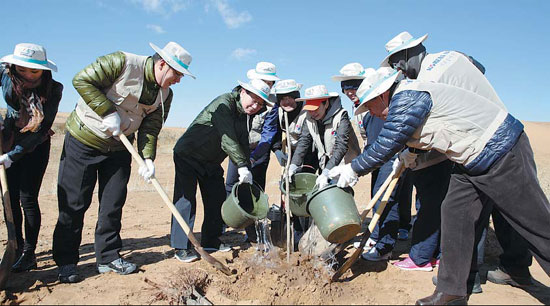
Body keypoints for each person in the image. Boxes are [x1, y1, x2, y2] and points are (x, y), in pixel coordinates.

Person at [329, 66, 550, 305]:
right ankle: (451, 290)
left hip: (501, 150)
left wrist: (353, 169)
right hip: (469, 159)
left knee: (534, 223)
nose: (372, 113)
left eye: (370, 106)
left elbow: (387, 142)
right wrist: (410, 153)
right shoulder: (406, 101)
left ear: (382, 95)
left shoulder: (407, 97)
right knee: (455, 214)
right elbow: (425, 131)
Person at [381, 31, 533, 290]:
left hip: (482, 143)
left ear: (410, 53)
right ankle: (501, 270)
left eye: (399, 62)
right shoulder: (445, 63)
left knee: (480, 215)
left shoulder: (436, 73)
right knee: (491, 211)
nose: (400, 70)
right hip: (489, 140)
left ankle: (478, 277)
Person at [53, 41, 193, 283]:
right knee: (74, 203)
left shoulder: (165, 94)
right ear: (162, 64)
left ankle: (108, 257)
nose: (178, 80)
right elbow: (82, 80)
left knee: (112, 203)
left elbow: (151, 127)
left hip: (119, 149)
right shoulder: (122, 62)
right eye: (178, 73)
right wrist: (108, 111)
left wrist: (147, 157)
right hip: (84, 141)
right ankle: (66, 262)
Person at [170, 79, 272, 263]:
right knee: (186, 200)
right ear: (242, 92)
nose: (255, 105)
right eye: (253, 99)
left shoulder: (243, 116)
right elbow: (228, 139)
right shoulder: (223, 104)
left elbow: (242, 144)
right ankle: (181, 247)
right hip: (189, 154)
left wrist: (246, 168)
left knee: (216, 198)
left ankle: (211, 240)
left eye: (260, 103)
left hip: (210, 161)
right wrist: (240, 165)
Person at [332, 63, 416, 261]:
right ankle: (385, 234)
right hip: (379, 155)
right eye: (346, 88)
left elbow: (386, 139)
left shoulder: (377, 106)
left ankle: (384, 244)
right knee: (387, 195)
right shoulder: (360, 108)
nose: (350, 92)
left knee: (385, 199)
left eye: (354, 86)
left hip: (388, 155)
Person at [0, 43, 62, 272]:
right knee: (9, 197)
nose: (27, 75)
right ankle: (13, 247)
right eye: (22, 69)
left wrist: (13, 156)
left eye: (33, 71)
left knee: (27, 198)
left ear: (44, 71)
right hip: (7, 139)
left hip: (35, 145)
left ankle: (29, 252)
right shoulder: (5, 73)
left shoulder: (54, 89)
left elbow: (43, 127)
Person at [224, 62, 280, 243]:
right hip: (238, 149)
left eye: (270, 82)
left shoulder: (272, 105)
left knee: (255, 191)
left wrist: (254, 158)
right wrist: (240, 159)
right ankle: (229, 222)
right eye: (263, 80)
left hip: (258, 150)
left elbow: (268, 133)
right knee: (232, 185)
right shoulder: (239, 95)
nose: (267, 84)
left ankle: (254, 234)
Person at [289, 85, 360, 187]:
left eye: (316, 109)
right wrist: (293, 165)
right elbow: (304, 141)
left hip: (342, 164)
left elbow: (341, 146)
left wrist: (327, 172)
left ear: (326, 103)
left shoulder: (341, 116)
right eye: (309, 109)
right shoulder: (309, 118)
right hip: (324, 161)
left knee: (339, 192)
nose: (312, 113)